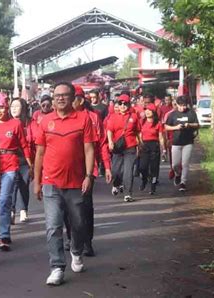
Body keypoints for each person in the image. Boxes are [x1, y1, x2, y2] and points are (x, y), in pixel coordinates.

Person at [34, 82, 95, 286]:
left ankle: (76, 252)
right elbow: (40, 153)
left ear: (72, 97)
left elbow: (88, 149)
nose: (60, 98)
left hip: (76, 182)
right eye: (56, 95)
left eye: (64, 95)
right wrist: (37, 181)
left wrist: (89, 176)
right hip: (51, 182)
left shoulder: (83, 119)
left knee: (78, 224)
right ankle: (57, 267)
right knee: (53, 226)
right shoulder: (45, 121)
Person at [63, 85, 111, 257]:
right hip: (65, 171)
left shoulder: (93, 117)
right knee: (66, 207)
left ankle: (86, 242)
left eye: (70, 97)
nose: (65, 100)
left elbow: (101, 143)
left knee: (85, 207)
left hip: (86, 170)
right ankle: (71, 238)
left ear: (80, 100)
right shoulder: (61, 118)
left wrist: (106, 166)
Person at [0, 92, 31, 251]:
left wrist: (29, 162)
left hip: (10, 164)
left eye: (1, 107)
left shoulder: (15, 124)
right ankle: (5, 220)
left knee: (5, 198)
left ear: (6, 107)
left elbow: (24, 144)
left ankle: (4, 234)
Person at [106, 94, 141, 202]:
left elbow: (138, 131)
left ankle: (127, 193)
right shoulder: (113, 117)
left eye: (125, 103)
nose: (122, 106)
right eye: (120, 103)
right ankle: (116, 183)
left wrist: (140, 144)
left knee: (128, 171)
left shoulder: (134, 117)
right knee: (115, 171)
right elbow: (109, 130)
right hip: (117, 147)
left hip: (130, 146)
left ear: (129, 105)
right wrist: (111, 142)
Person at [165, 96, 199, 192]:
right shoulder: (173, 114)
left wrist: (189, 125)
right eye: (181, 106)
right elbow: (166, 127)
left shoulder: (191, 113)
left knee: (185, 163)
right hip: (176, 142)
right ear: (177, 104)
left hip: (188, 142)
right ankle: (177, 175)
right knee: (175, 164)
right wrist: (176, 127)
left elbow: (197, 125)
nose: (183, 108)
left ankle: (183, 182)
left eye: (184, 106)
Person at [9, 97, 36, 223]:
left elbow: (37, 141)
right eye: (12, 106)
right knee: (12, 185)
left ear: (23, 108)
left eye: (17, 106)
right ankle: (11, 210)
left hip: (26, 160)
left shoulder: (30, 123)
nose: (14, 109)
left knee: (24, 185)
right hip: (11, 159)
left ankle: (23, 209)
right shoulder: (7, 122)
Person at [139, 103, 165, 195]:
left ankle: (153, 186)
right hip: (144, 145)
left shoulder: (158, 123)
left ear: (153, 112)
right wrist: (139, 145)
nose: (147, 112)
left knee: (154, 168)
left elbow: (161, 137)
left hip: (154, 145)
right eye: (146, 110)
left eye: (149, 110)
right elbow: (139, 135)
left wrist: (163, 149)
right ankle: (144, 179)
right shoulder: (142, 121)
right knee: (142, 167)